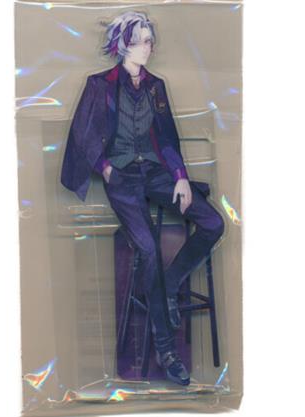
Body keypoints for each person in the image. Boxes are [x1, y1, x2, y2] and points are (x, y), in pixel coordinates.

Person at [60, 11, 224, 386]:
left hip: (155, 172)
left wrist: (180, 177)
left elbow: (166, 137)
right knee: (148, 248)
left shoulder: (155, 86)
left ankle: (171, 283)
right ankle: (166, 350)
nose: (147, 47)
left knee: (214, 222)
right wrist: (104, 168)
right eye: (139, 41)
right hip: (121, 178)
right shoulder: (99, 84)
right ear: (122, 45)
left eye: (150, 40)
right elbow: (84, 134)